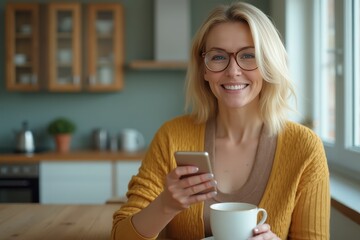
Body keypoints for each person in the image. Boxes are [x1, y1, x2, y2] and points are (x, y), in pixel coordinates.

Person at [111, 2, 330, 239]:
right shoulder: (172, 136)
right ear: (204, 69)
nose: (233, 71)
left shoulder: (305, 147)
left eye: (249, 55)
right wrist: (166, 204)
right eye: (218, 57)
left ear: (269, 63)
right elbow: (120, 235)